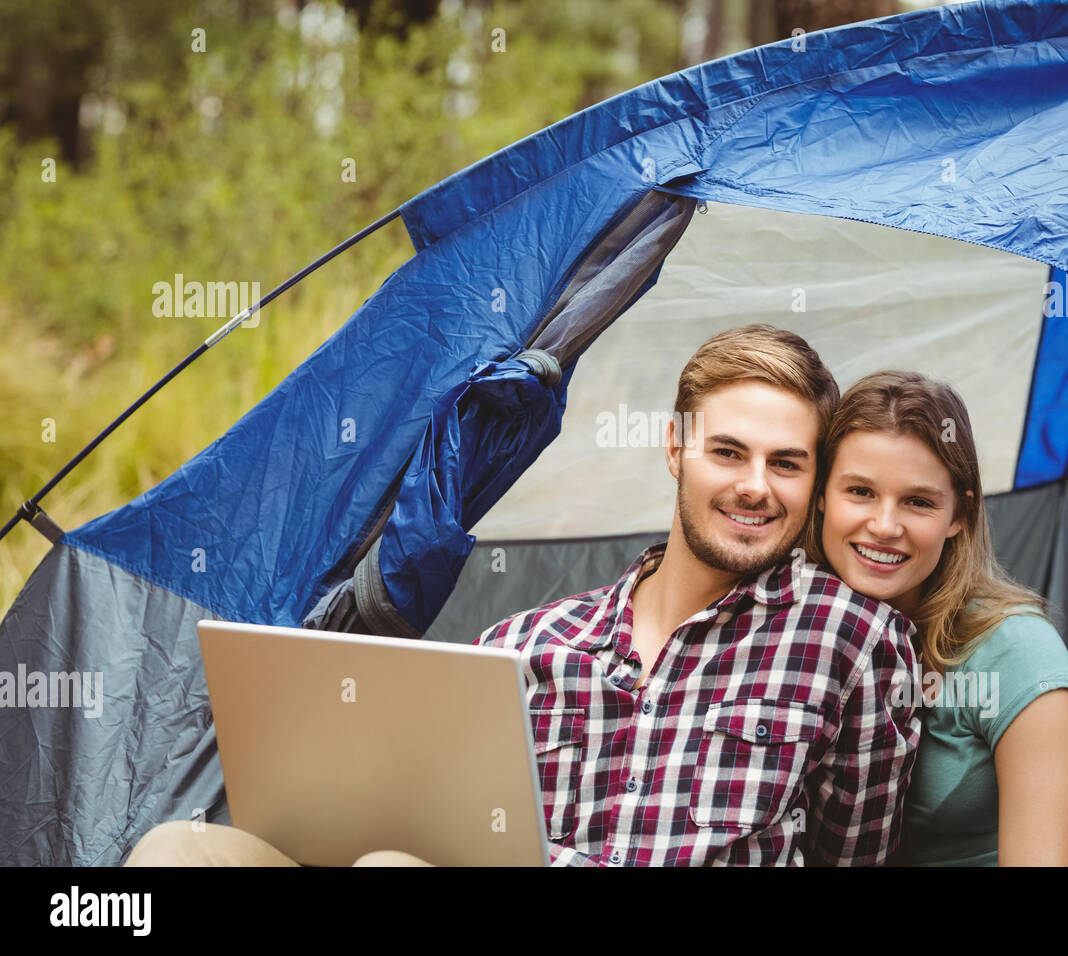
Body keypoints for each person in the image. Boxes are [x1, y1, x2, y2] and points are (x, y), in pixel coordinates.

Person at [125, 325, 922, 867]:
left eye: (786, 463)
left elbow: (852, 856)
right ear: (676, 449)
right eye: (727, 452)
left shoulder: (852, 641)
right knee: (183, 851)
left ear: (814, 481)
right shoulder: (528, 643)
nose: (755, 486)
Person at [803, 369, 1068, 866]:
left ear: (958, 515)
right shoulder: (799, 631)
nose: (883, 525)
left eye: (918, 502)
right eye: (860, 491)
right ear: (820, 495)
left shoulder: (1015, 649)